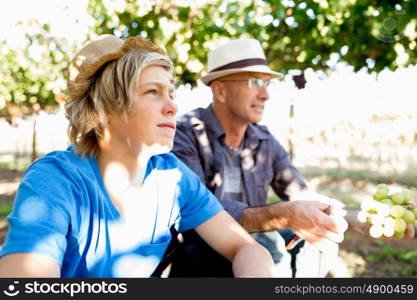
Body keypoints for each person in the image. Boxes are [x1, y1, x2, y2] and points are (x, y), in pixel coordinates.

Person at [0, 35, 276, 278]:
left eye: (170, 92)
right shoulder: (56, 182)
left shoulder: (172, 177)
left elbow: (246, 248)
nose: (172, 106)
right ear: (103, 110)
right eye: (152, 92)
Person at [164, 38, 414, 278]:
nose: (265, 95)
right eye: (254, 81)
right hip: (199, 252)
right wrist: (283, 215)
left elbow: (301, 195)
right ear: (219, 90)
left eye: (267, 84)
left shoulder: (263, 140)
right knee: (267, 242)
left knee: (317, 243)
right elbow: (197, 214)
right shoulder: (186, 135)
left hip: (253, 250)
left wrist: (359, 219)